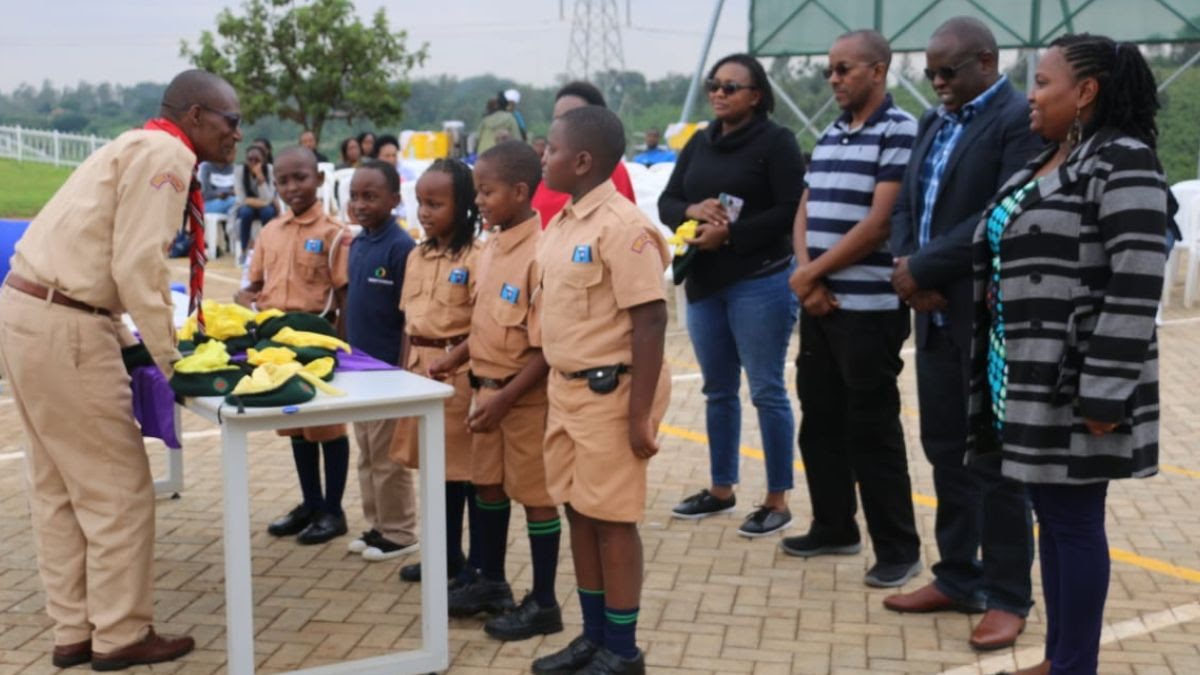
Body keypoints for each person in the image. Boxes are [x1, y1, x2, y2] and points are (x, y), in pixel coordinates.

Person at [0, 68, 240, 670]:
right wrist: (171, 359)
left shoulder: (133, 142)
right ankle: (121, 634)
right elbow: (136, 266)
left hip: (29, 309)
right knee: (118, 491)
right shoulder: (166, 154)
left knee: (57, 487)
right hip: (67, 326)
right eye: (230, 121)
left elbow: (101, 255)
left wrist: (130, 340)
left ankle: (74, 630)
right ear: (195, 115)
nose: (237, 133)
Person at [974, 34, 1166, 675]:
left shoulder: (1123, 160)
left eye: (1043, 82)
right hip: (1024, 370)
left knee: (1074, 520)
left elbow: (1137, 278)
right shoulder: (1048, 159)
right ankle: (1060, 657)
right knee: (1051, 518)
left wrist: (1105, 392)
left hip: (1078, 378)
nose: (1031, 95)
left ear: (1085, 92)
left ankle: (1075, 665)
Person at [883, 17, 1044, 652]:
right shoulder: (933, 121)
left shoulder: (1016, 120)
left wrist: (923, 268)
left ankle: (1007, 596)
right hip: (931, 312)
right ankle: (957, 576)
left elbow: (1000, 211)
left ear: (986, 61)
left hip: (982, 313)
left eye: (947, 71)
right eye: (929, 73)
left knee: (994, 463)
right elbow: (905, 203)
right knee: (945, 450)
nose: (938, 82)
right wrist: (907, 267)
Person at [529, 106, 670, 675]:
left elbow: (651, 321)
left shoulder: (623, 227)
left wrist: (640, 416)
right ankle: (592, 637)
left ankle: (623, 649)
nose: (544, 156)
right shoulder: (563, 223)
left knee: (612, 520)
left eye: (552, 148)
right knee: (580, 514)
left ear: (583, 160)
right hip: (566, 394)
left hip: (610, 395)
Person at [781, 30, 923, 588]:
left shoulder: (900, 130)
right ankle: (834, 525)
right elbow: (806, 206)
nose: (833, 79)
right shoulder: (831, 132)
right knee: (819, 421)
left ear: (878, 70)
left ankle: (898, 548)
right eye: (830, 70)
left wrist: (811, 273)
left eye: (844, 69)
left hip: (868, 309)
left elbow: (880, 223)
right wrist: (806, 277)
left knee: (872, 428)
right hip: (819, 304)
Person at [658, 53, 804, 537]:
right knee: (717, 390)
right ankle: (721, 489)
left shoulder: (777, 143)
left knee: (766, 390)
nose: (718, 93)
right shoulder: (700, 141)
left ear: (756, 96)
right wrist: (692, 209)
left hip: (759, 281)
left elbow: (790, 210)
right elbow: (667, 200)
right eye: (713, 85)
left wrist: (732, 235)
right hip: (706, 283)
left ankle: (777, 500)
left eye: (730, 87)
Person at [431, 141, 562, 640]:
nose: (478, 201)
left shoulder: (541, 255)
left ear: (520, 191)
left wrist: (504, 399)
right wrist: (455, 357)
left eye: (487, 192)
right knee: (487, 486)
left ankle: (544, 602)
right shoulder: (491, 248)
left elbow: (546, 349)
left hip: (522, 401)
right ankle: (491, 582)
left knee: (536, 497)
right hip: (485, 394)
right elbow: (486, 325)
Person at [235, 147, 352, 546]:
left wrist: (343, 346)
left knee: (326, 425)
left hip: (317, 340)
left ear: (318, 179)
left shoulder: (334, 233)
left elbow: (344, 293)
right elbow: (253, 284)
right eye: (283, 181)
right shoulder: (270, 231)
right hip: (277, 344)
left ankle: (333, 510)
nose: (292, 187)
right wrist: (245, 299)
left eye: (300, 178)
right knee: (296, 422)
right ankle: (311, 503)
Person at [391, 159, 484, 586]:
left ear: (463, 205)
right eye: (421, 202)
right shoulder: (417, 254)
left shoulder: (478, 257)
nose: (424, 213)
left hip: (457, 376)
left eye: (435, 204)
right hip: (419, 371)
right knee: (434, 472)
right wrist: (401, 372)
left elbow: (484, 326)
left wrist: (453, 359)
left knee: (463, 474)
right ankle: (443, 556)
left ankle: (472, 566)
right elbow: (409, 323)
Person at [343, 160, 420, 562]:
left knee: (390, 457)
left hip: (388, 370)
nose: (360, 204)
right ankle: (377, 524)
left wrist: (403, 369)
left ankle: (400, 531)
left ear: (393, 199)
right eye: (354, 196)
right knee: (368, 452)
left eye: (370, 196)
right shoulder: (358, 243)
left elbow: (408, 316)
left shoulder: (400, 247)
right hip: (359, 368)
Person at [530, 81, 637, 227]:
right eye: (558, 119)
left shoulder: (611, 171)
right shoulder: (548, 172)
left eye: (572, 117)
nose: (562, 125)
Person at [233, 145, 277, 260]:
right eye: (250, 159)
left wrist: (260, 178)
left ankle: (267, 249)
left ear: (264, 160)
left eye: (256, 160)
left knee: (267, 212)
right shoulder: (240, 170)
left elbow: (269, 197)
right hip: (247, 206)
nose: (253, 163)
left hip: (264, 207)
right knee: (246, 213)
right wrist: (264, 202)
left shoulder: (270, 170)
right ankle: (244, 250)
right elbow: (242, 199)